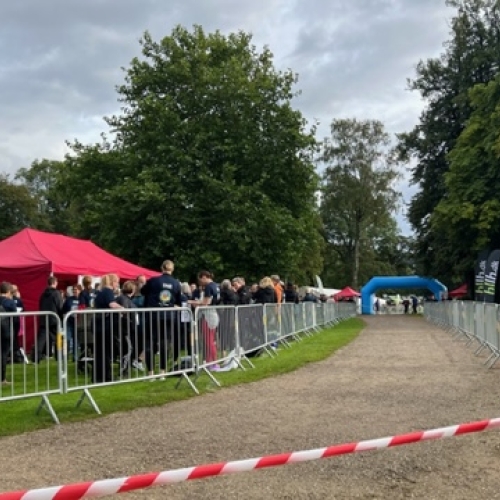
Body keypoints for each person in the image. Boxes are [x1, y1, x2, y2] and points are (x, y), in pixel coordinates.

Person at [141, 260, 182, 379]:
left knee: (150, 342)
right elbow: (178, 301)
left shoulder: (153, 280)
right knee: (165, 342)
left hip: (153, 315)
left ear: (162, 268)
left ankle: (151, 373)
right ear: (172, 269)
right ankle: (163, 372)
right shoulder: (176, 283)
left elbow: (143, 291)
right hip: (168, 316)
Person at [93, 273, 123, 383]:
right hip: (105, 326)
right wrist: (122, 308)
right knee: (105, 352)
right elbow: (112, 304)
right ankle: (106, 376)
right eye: (117, 282)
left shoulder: (101, 292)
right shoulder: (108, 292)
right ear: (112, 282)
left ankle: (98, 376)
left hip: (99, 325)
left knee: (99, 352)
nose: (117, 284)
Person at [190, 271, 221, 369]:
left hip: (208, 316)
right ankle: (210, 362)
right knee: (210, 340)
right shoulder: (216, 286)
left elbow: (205, 303)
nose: (200, 282)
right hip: (213, 314)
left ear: (204, 277)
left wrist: (192, 302)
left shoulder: (209, 287)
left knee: (209, 341)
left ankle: (214, 363)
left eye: (200, 280)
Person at [33, 276, 63, 363]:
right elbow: (60, 306)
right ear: (54, 283)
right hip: (54, 319)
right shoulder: (56, 293)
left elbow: (40, 305)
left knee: (41, 340)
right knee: (59, 338)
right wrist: (61, 317)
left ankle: (35, 358)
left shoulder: (43, 294)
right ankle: (59, 356)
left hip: (44, 319)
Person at [62, 285, 80, 361]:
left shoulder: (82, 299)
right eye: (73, 290)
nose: (74, 291)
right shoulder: (69, 299)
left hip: (78, 323)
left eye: (76, 289)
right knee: (67, 339)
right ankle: (65, 356)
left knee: (76, 340)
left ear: (80, 290)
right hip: (69, 322)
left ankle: (75, 357)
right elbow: (64, 309)